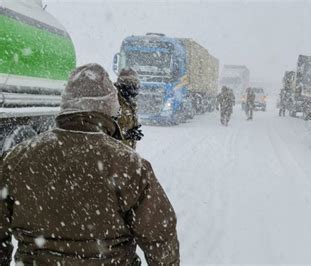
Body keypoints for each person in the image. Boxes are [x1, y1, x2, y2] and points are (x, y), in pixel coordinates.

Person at [0, 64, 180, 265]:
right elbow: (160, 236)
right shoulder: (130, 165)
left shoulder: (16, 159)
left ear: (66, 104)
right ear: (109, 108)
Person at [115, 67, 143, 149]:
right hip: (115, 152)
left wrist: (132, 132)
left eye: (136, 84)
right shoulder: (114, 101)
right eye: (131, 84)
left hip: (126, 152)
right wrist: (125, 135)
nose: (134, 88)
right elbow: (108, 131)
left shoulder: (130, 102)